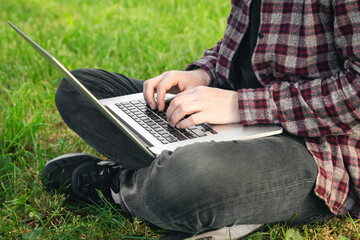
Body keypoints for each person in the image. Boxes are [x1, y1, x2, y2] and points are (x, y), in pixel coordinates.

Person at [42, 0, 360, 238]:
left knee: (185, 177)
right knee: (81, 90)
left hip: (318, 150)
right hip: (230, 119)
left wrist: (241, 105)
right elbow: (244, 43)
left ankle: (121, 186)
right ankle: (218, 200)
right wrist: (203, 73)